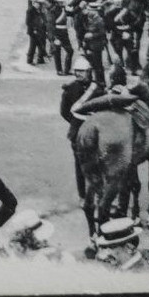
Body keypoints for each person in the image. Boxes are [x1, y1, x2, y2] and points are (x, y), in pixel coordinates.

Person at [60, 58, 95, 200]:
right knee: (80, 164)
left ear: (89, 72)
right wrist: (75, 121)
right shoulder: (69, 89)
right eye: (77, 71)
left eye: (83, 72)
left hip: (94, 129)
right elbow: (64, 112)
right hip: (77, 130)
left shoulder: (96, 88)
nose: (80, 74)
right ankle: (82, 195)